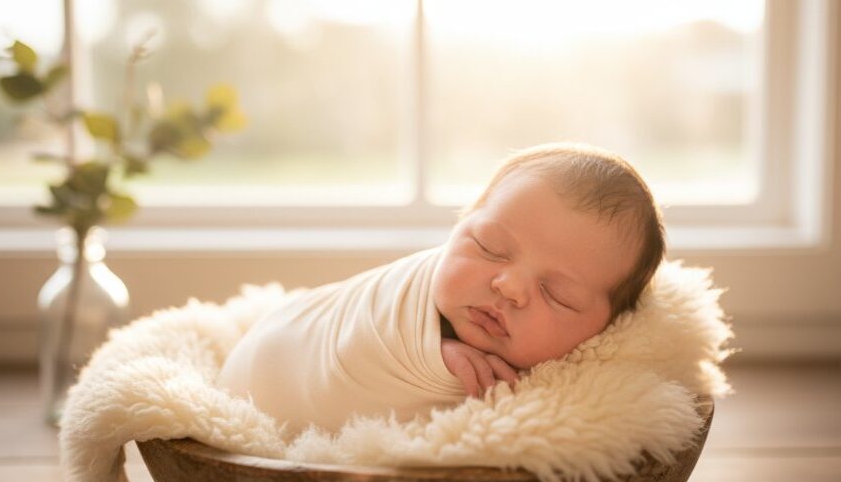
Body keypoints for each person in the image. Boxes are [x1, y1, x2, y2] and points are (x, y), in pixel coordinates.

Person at [216, 143, 666, 434]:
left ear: (608, 326)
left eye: (558, 294)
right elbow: (366, 335)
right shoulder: (404, 297)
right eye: (489, 246)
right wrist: (435, 351)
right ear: (459, 226)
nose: (509, 286)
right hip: (277, 356)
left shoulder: (582, 390)